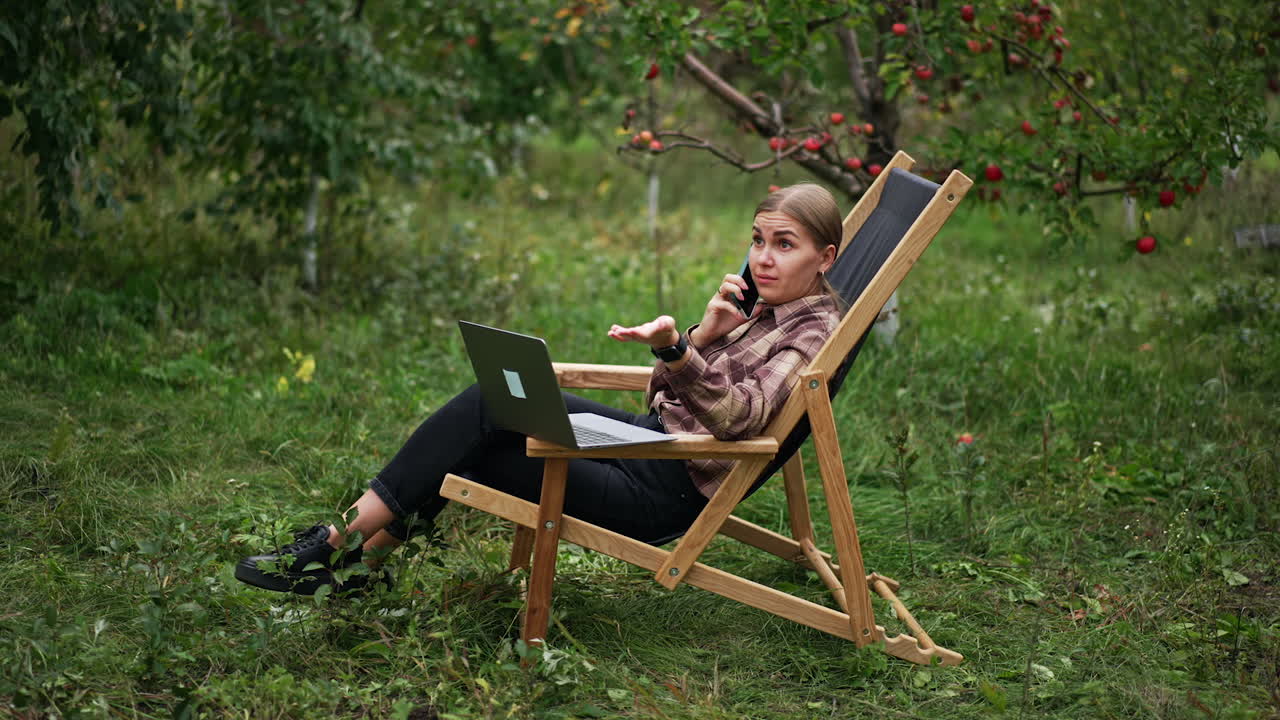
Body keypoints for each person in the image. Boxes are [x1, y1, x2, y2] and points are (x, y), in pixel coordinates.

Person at [234, 183, 845, 595]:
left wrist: (677, 350)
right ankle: (352, 558)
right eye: (759, 240)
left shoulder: (812, 335)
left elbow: (741, 418)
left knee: (484, 427)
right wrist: (705, 335)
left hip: (664, 489)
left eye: (784, 245)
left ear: (825, 257)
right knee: (495, 402)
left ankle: (336, 551)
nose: (763, 258)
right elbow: (667, 400)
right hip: (649, 445)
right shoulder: (768, 307)